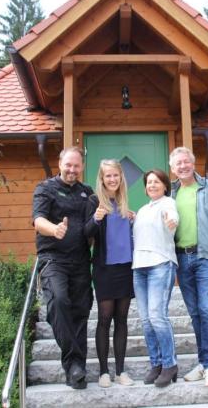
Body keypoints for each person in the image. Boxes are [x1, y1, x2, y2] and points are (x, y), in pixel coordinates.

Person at [32, 147, 95, 390]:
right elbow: (38, 220)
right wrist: (54, 230)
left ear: (82, 166)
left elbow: (93, 224)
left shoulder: (87, 192)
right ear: (59, 163)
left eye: (76, 166)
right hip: (53, 259)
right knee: (58, 302)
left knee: (81, 310)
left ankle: (75, 371)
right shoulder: (45, 188)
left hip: (80, 260)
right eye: (68, 165)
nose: (72, 170)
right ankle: (75, 362)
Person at [169, 146, 208, 388]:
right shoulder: (171, 193)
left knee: (206, 309)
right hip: (182, 259)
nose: (183, 166)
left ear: (193, 163)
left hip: (206, 257)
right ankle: (203, 362)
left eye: (186, 162)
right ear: (173, 169)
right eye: (178, 164)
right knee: (195, 312)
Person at [84, 159, 136, 388]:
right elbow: (85, 232)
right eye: (108, 176)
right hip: (104, 269)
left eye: (116, 175)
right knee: (104, 319)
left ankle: (120, 371)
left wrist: (134, 221)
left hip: (126, 268)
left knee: (122, 320)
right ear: (102, 179)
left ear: (120, 177)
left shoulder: (124, 202)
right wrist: (95, 219)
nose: (112, 179)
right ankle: (104, 371)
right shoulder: (96, 202)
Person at [132, 169, 180, 388]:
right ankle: (156, 364)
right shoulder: (142, 210)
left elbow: (172, 217)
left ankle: (170, 364)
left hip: (161, 263)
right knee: (145, 320)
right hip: (139, 268)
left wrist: (172, 221)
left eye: (156, 182)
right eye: (149, 182)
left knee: (157, 317)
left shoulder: (168, 203)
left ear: (165, 186)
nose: (152, 185)